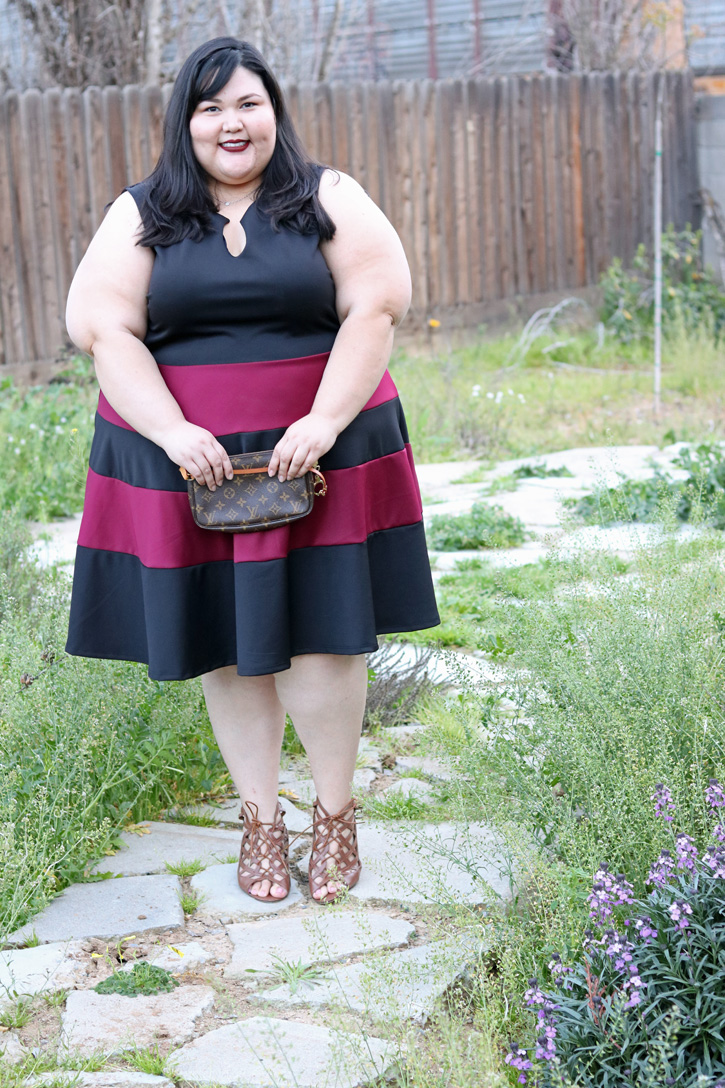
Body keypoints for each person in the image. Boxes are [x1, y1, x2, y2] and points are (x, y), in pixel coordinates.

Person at [65, 37, 439, 905]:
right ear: (185, 121)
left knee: (324, 640)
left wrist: (324, 420)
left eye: (247, 104)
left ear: (274, 111)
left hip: (319, 453)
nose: (231, 123)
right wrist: (170, 431)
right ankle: (260, 821)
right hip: (189, 466)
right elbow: (102, 327)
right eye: (211, 108)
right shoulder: (143, 211)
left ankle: (335, 815)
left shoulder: (326, 196)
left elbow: (377, 306)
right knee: (226, 647)